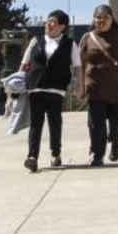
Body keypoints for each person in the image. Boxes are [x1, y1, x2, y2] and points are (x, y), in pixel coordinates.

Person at [20, 10, 81, 172]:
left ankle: (55, 153)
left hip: (56, 89)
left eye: (53, 21)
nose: (48, 24)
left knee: (55, 122)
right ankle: (32, 157)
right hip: (36, 87)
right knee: (36, 124)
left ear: (62, 26)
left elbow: (77, 67)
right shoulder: (36, 41)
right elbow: (25, 63)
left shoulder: (70, 44)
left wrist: (77, 85)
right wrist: (18, 84)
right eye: (47, 21)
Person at [78, 3, 118, 166]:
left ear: (112, 19)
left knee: (117, 122)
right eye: (98, 18)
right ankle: (97, 155)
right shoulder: (87, 38)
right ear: (93, 19)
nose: (101, 21)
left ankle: (116, 143)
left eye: (105, 18)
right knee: (96, 124)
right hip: (95, 88)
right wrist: (81, 86)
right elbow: (81, 64)